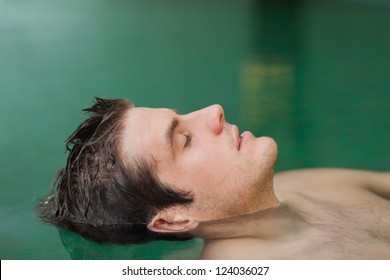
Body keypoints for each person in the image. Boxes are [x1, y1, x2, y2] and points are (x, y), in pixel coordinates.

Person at [39, 97, 390, 259]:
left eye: (182, 115)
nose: (213, 110)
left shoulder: (304, 184)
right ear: (173, 218)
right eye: (185, 140)